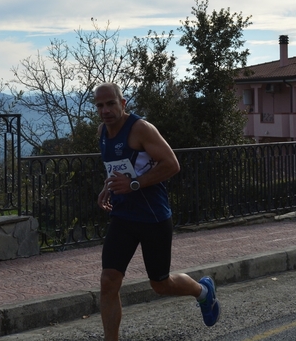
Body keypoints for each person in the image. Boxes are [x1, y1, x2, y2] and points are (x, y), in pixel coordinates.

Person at [94, 82, 220, 341]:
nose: (105, 110)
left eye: (110, 104)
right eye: (100, 105)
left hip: (153, 218)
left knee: (160, 284)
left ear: (123, 103)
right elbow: (118, 168)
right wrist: (108, 187)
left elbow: (172, 164)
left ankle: (203, 291)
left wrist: (134, 185)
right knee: (108, 281)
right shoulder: (102, 133)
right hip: (122, 216)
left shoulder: (140, 129)